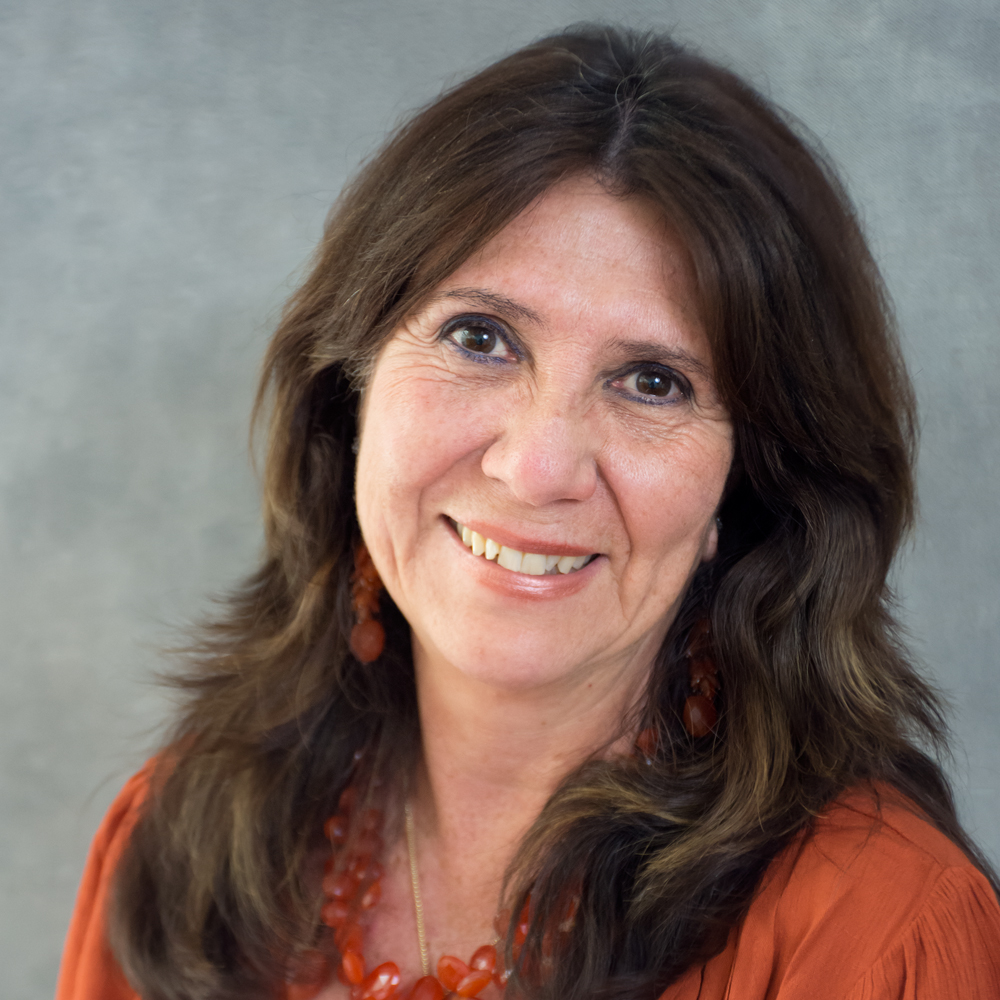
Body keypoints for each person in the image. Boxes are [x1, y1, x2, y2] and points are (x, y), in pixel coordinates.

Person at [56, 24, 1000, 1000]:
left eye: (650, 381)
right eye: (481, 337)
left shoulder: (881, 935)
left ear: (750, 485)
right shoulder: (183, 842)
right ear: (351, 390)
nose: (538, 465)